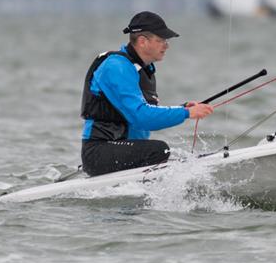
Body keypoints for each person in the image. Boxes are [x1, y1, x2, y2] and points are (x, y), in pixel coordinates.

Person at [80, 11, 213, 176]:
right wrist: (186, 113)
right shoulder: (116, 67)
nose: (166, 45)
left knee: (167, 153)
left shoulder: (143, 69)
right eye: (161, 40)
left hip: (123, 150)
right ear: (142, 41)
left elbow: (146, 111)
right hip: (99, 153)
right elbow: (142, 117)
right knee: (160, 150)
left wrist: (182, 108)